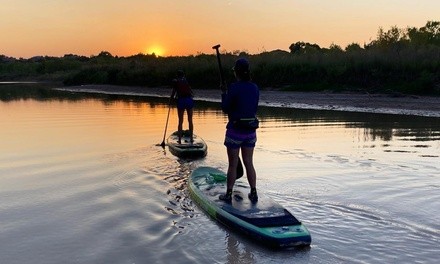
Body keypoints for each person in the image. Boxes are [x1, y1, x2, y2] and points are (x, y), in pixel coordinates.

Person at [219, 58, 260, 203]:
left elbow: (225, 108)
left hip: (235, 132)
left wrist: (224, 93)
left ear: (236, 72)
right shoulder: (255, 87)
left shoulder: (234, 88)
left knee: (232, 163)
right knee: (249, 162)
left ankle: (228, 194)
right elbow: (252, 108)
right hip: (250, 132)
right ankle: (253, 192)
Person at [170, 70, 194, 144]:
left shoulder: (176, 82)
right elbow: (191, 92)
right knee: (190, 120)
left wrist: (171, 100)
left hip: (181, 101)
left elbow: (173, 93)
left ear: (177, 75)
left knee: (180, 121)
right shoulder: (186, 81)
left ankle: (179, 139)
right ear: (183, 75)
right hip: (189, 100)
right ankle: (191, 138)